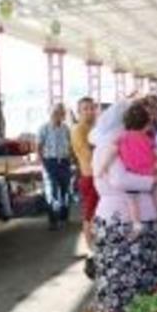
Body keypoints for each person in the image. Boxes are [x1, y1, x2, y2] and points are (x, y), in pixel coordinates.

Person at [89, 100, 157, 312]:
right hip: (122, 219)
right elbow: (120, 179)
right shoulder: (111, 144)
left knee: (140, 271)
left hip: (129, 216)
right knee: (126, 276)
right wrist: (153, 180)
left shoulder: (124, 141)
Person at [101, 103, 157, 235]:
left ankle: (136, 223)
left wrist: (103, 168)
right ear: (146, 123)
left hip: (133, 173)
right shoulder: (148, 138)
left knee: (132, 200)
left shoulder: (121, 137)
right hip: (150, 172)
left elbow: (112, 152)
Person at [38, 103, 72, 230]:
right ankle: (53, 220)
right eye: (55, 113)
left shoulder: (66, 128)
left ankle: (63, 218)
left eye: (61, 113)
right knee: (52, 191)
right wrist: (43, 163)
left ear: (63, 115)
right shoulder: (44, 128)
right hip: (50, 162)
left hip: (64, 162)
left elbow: (70, 146)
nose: (58, 115)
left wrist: (72, 160)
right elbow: (39, 147)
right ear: (50, 113)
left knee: (65, 191)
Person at [71, 97, 98, 250]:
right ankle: (90, 249)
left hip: (98, 176)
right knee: (89, 214)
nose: (89, 111)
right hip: (89, 176)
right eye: (85, 109)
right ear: (79, 112)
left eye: (92, 108)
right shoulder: (78, 130)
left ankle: (96, 245)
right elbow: (88, 155)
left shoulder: (94, 128)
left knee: (97, 212)